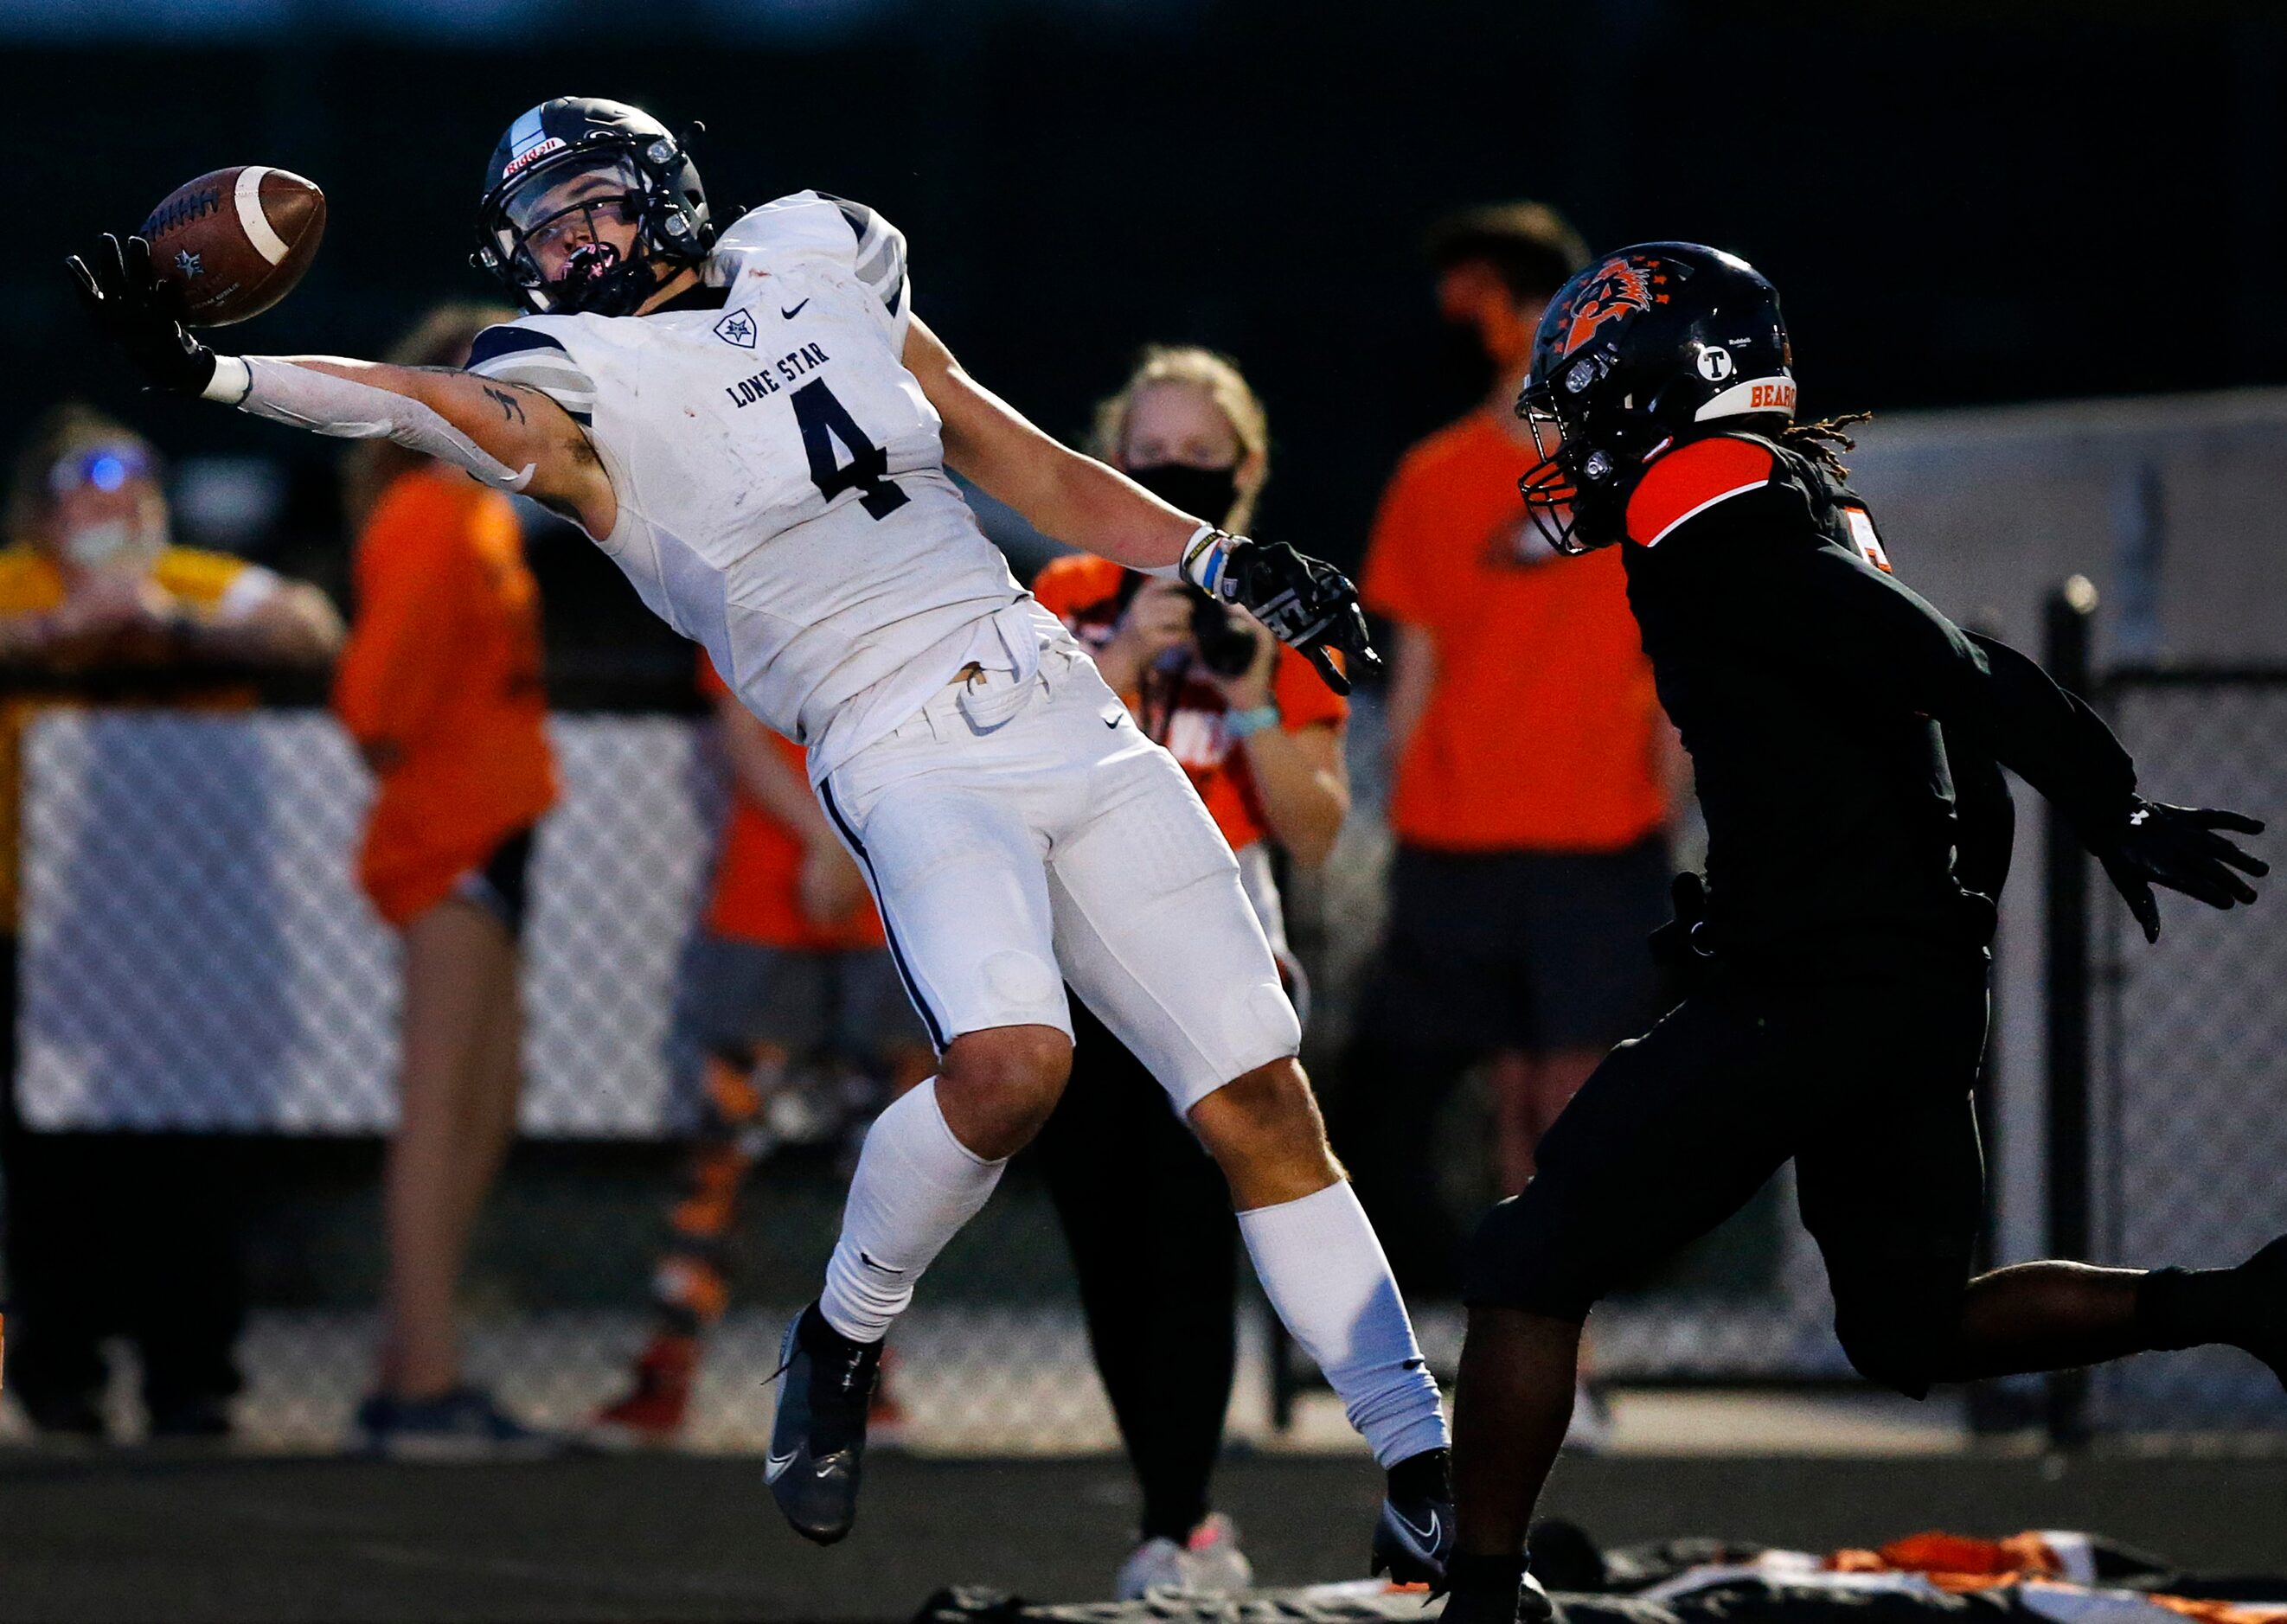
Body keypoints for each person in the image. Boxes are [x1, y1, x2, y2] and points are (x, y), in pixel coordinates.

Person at [70, 97, 1453, 1573]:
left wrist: (1215, 554)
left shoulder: (817, 252)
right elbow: (421, 404)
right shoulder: (574, 372)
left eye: (592, 205)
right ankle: (840, 1334)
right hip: (893, 740)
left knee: (1259, 1101)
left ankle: (1419, 1456)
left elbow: (1016, 457)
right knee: (1007, 1069)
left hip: (1054, 694)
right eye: (544, 229)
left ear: (663, 192)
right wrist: (224, 373)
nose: (574, 244)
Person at [1437, 244, 2277, 1624]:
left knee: (1528, 1264)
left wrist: (2108, 797)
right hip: (1899, 978)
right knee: (1911, 1324)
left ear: (1669, 391)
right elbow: (1924, 717)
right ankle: (2246, 1305)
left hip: (1811, 988)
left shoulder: (1702, 496)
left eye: (1592, 405)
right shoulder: (1802, 491)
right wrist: (1942, 918)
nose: (1577, 441)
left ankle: (1480, 1597)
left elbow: (1939, 661)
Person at [1030, 346, 1348, 1597]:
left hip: (1214, 963)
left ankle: (1182, 1514)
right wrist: (1117, 664)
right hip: (1077, 960)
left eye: (1198, 457)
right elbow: (1012, 767)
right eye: (1148, 452)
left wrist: (1255, 692)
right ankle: (1171, 1502)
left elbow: (1315, 826)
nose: (1172, 472)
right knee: (1103, 1237)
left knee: (1184, 1235)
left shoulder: (1284, 607)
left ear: (1247, 469)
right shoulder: (1061, 588)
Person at [1348, 202, 1677, 1300]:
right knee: (1507, 1103)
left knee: (1573, 1100)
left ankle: (1560, 1341)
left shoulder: (1646, 473)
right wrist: (1400, 816)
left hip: (1600, 831)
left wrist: (1670, 796)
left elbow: (1676, 657)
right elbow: (1418, 664)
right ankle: (1533, 1338)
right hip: (1464, 838)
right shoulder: (1433, 479)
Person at [0, 404, 341, 1442]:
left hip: (185, 939)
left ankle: (193, 1380)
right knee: (58, 1172)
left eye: (134, 500)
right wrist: (57, 637)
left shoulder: (195, 582)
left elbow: (312, 627)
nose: (117, 520)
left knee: (191, 1168)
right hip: (40, 932)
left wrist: (172, 630)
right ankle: (60, 1379)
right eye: (91, 502)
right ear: (49, 517)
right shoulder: (21, 584)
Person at [587, 649, 932, 1447]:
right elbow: (740, 729)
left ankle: (865, 1379)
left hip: (889, 903)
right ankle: (668, 1369)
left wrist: (845, 845)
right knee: (721, 1151)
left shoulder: (917, 570)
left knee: (885, 1166)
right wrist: (830, 841)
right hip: (770, 899)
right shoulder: (746, 577)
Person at [330, 304, 561, 1458]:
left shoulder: (476, 509)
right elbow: (375, 698)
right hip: (453, 836)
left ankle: (406, 1368)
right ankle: (422, 1380)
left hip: (486, 828)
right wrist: (439, 797)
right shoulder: (429, 510)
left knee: (483, 1101)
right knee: (442, 1110)